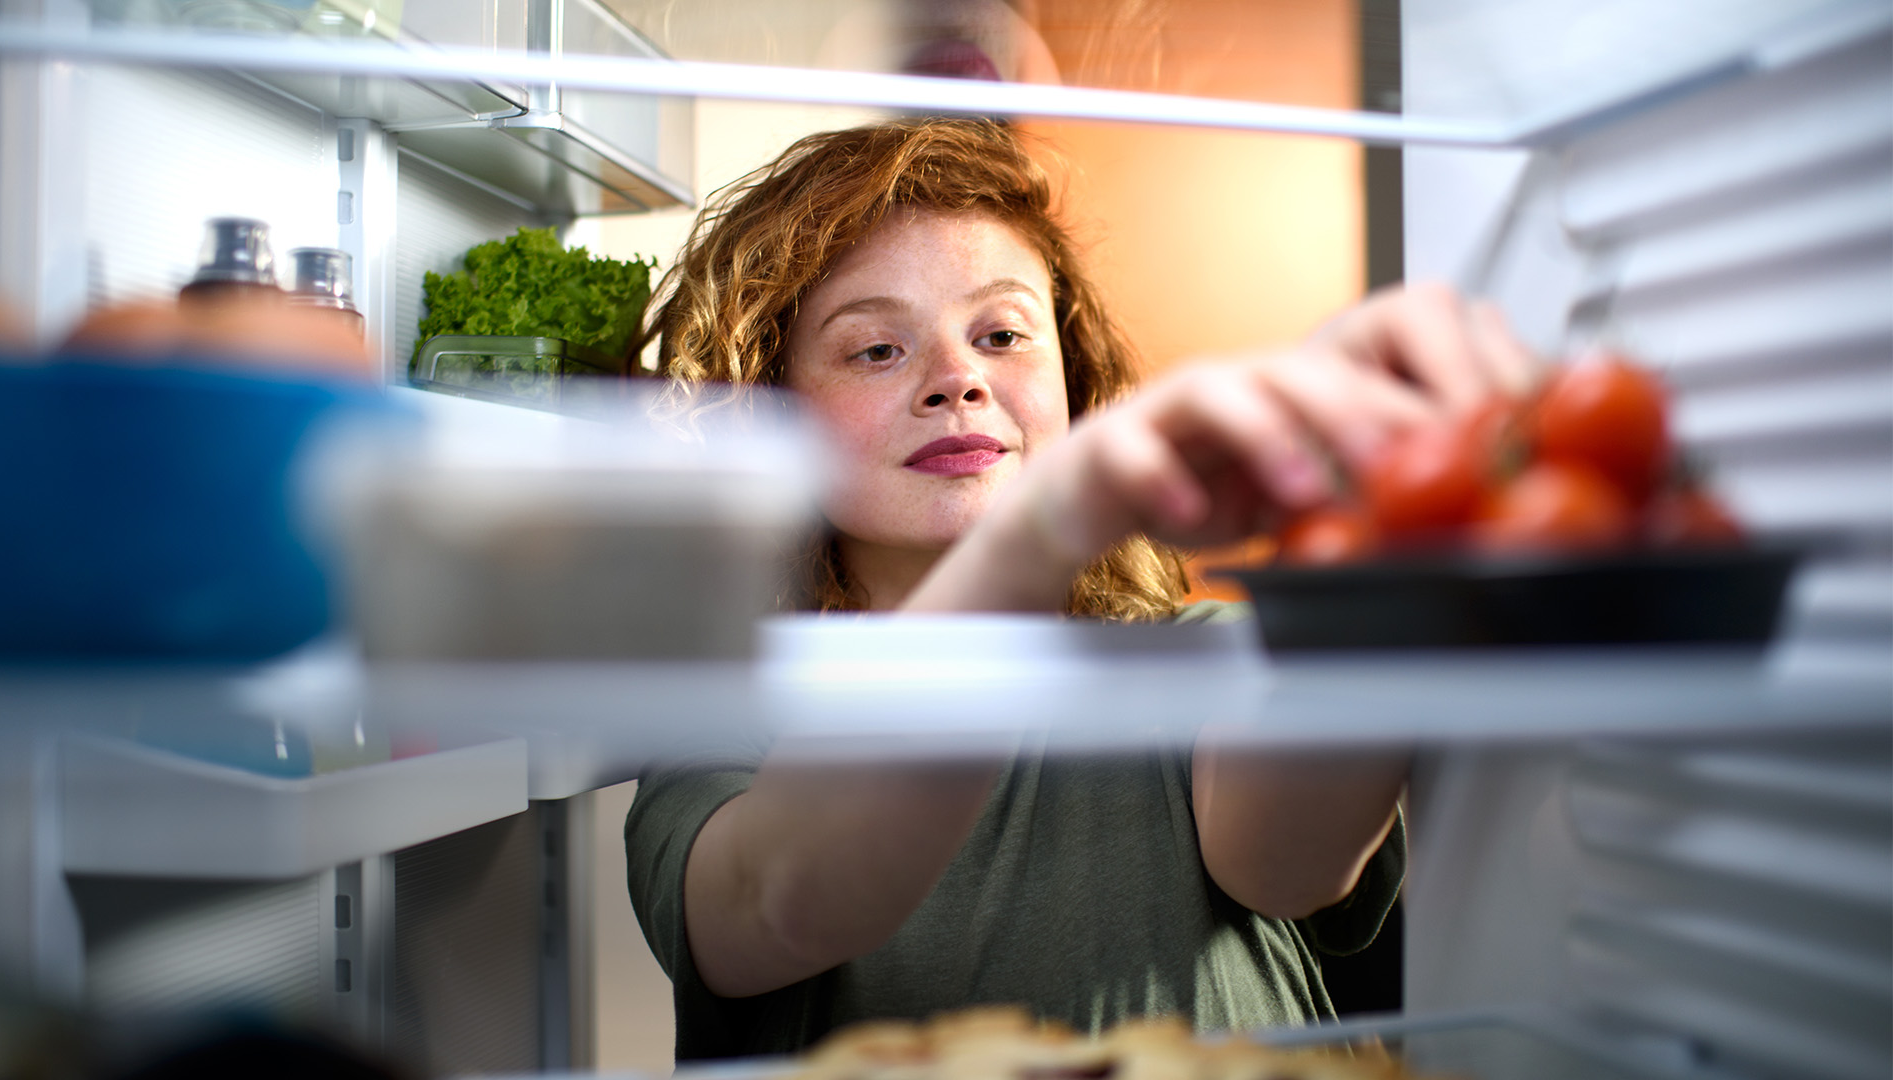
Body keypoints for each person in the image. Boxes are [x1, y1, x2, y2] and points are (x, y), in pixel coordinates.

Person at [625, 118, 1535, 1062]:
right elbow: (772, 903)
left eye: (1002, 333)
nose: (959, 380)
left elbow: (1285, 865)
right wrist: (1048, 523)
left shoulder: (1193, 652)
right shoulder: (727, 707)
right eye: (874, 350)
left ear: (1075, 380)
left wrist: (1378, 505)